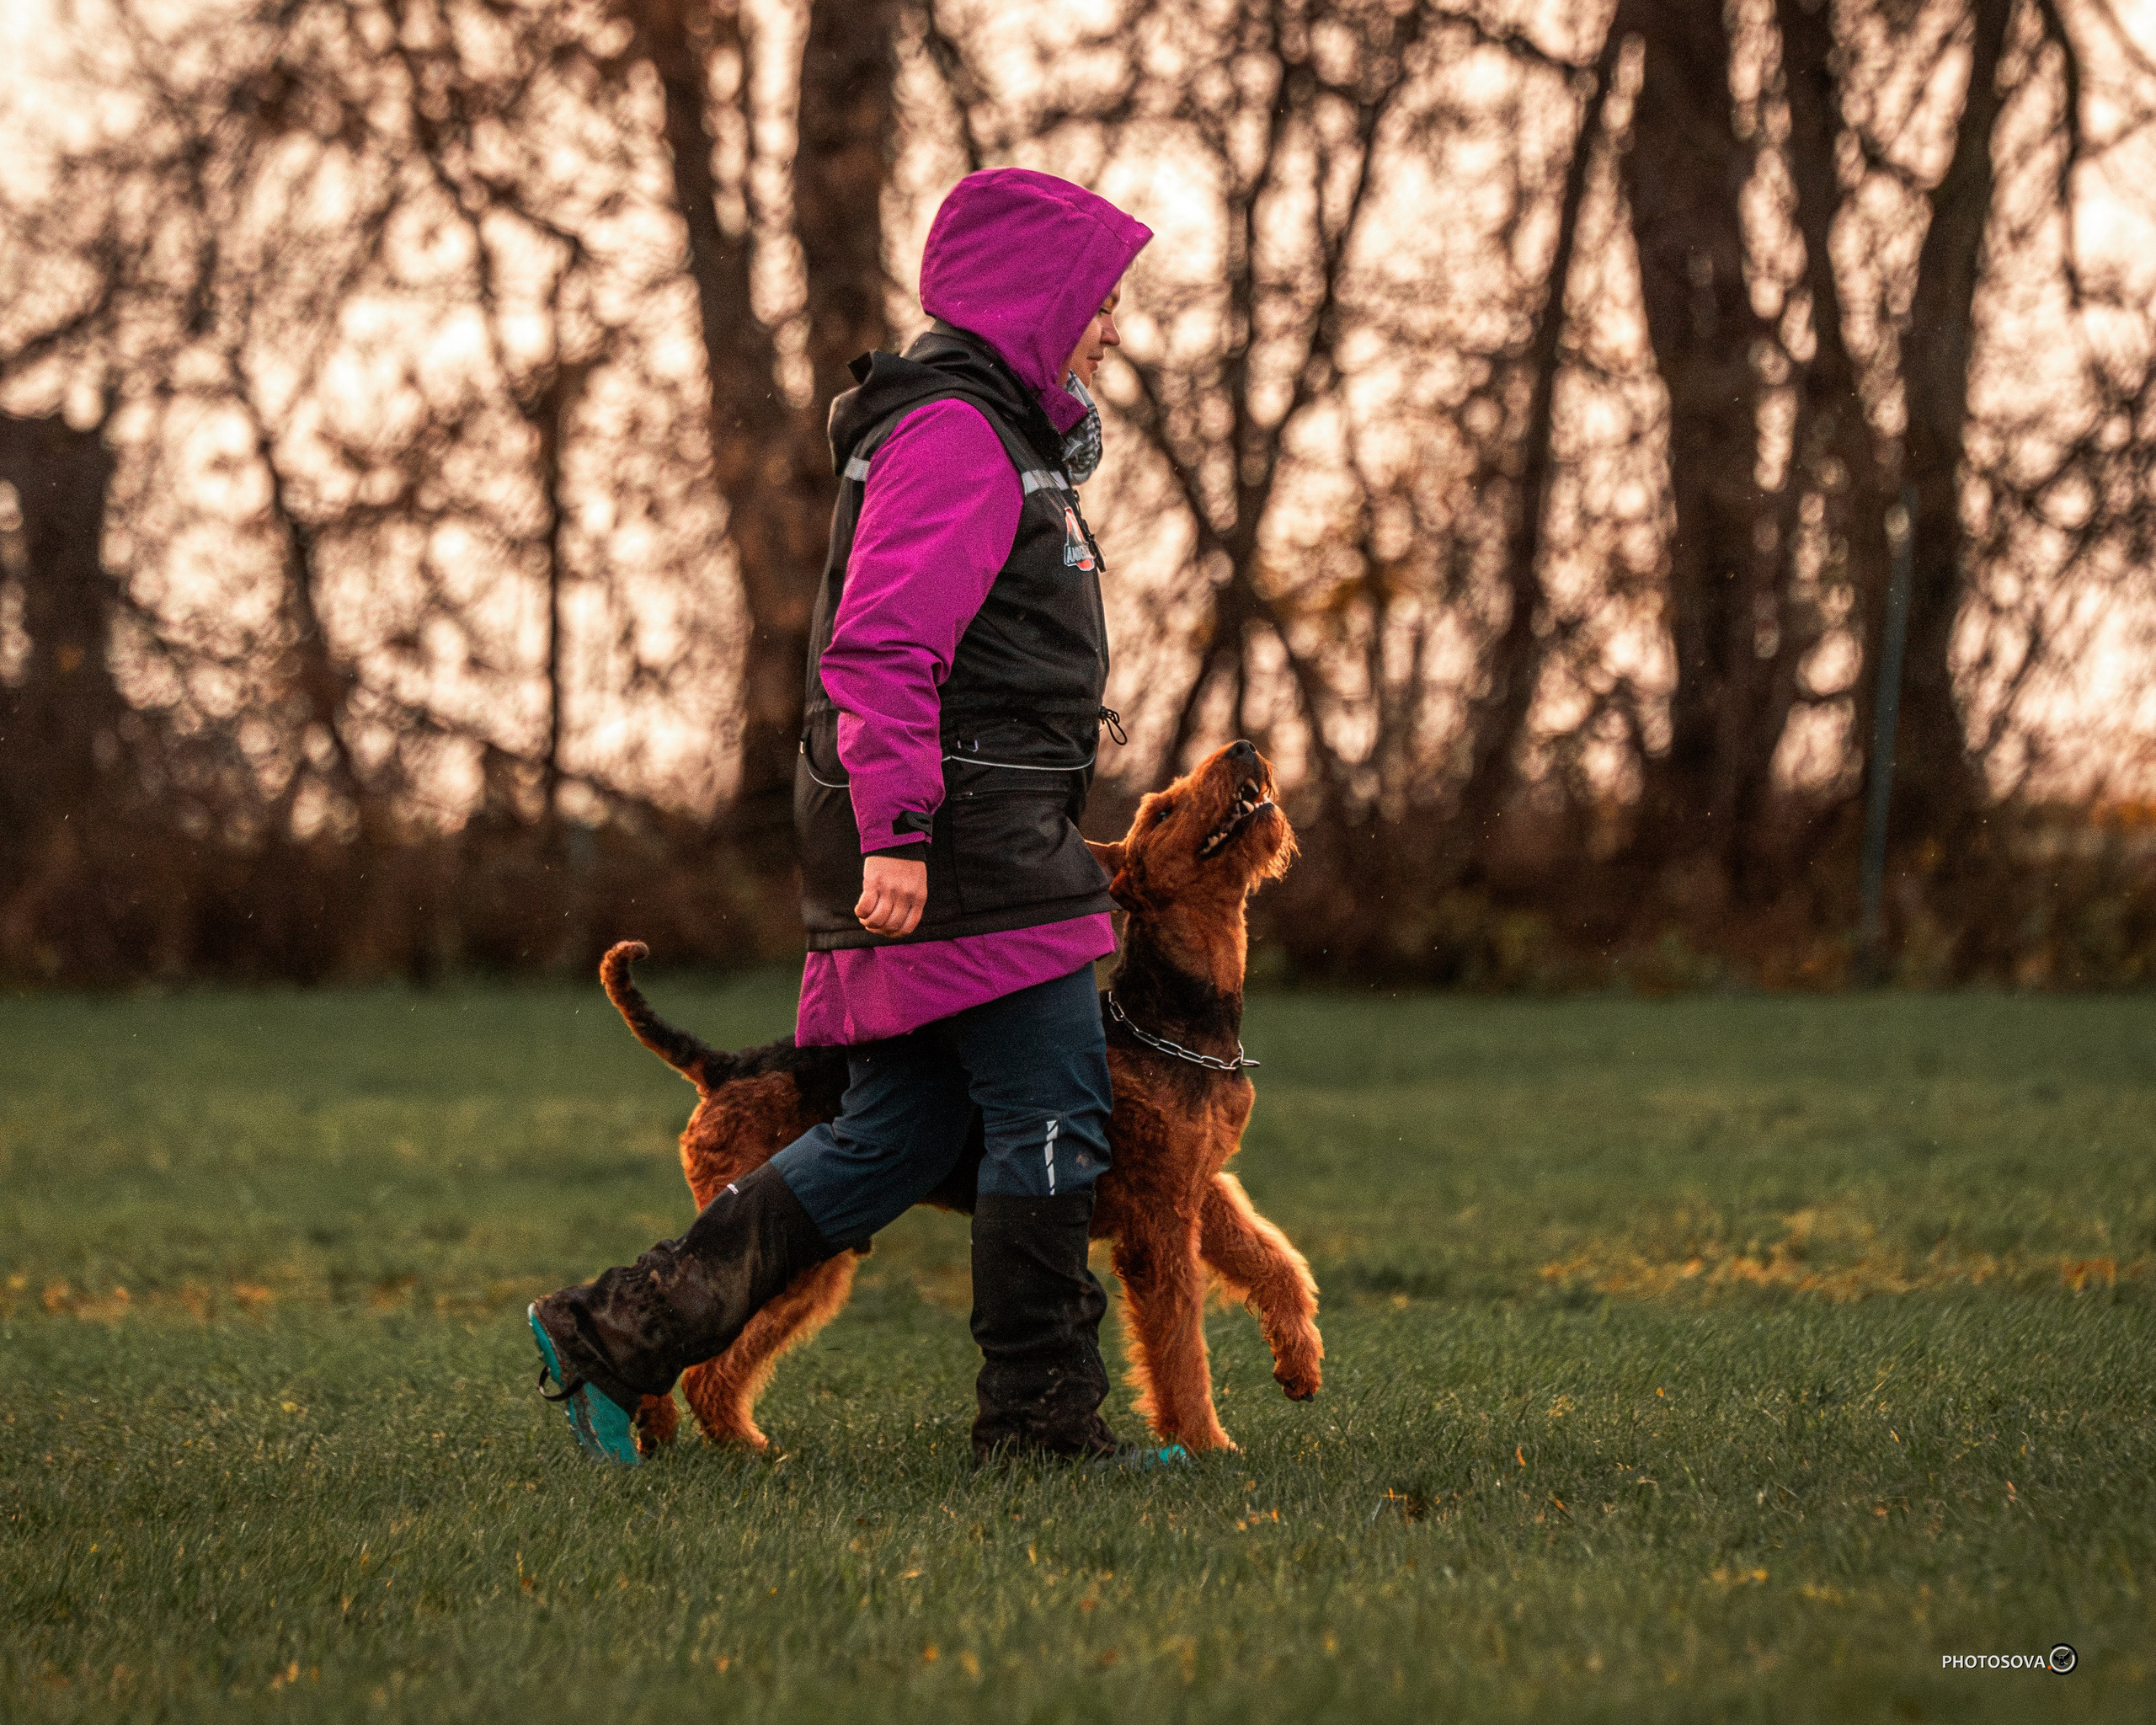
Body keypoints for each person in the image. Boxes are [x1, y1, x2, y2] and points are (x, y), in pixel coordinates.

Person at [527, 168, 1169, 1469]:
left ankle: (616, 1330)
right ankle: (1043, 1428)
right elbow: (880, 650)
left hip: (973, 835)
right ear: (1038, 301)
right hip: (965, 849)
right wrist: (900, 833)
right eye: (1101, 303)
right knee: (1053, 1108)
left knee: (898, 1135)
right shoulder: (956, 435)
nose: (1113, 328)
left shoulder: (997, 433)